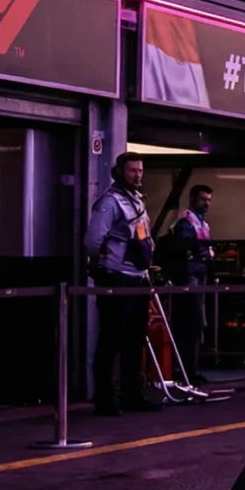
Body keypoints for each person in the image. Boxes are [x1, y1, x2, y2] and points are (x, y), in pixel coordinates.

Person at [86, 154, 163, 416]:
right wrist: (106, 265)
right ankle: (105, 398)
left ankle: (132, 393)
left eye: (140, 170)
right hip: (117, 276)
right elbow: (93, 241)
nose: (137, 175)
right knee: (111, 339)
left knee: (134, 339)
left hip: (138, 277)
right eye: (132, 171)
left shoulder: (137, 200)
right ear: (118, 171)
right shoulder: (109, 202)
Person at [163, 185, 217, 385]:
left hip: (199, 276)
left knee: (196, 325)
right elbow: (185, 248)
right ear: (193, 198)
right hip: (188, 277)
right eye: (203, 199)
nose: (207, 204)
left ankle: (191, 368)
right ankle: (185, 370)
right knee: (189, 324)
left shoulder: (202, 223)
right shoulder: (186, 221)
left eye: (209, 200)